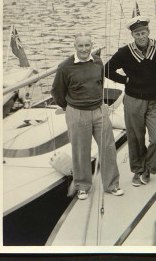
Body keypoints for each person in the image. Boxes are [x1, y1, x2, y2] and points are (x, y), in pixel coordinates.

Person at [104, 16, 156, 187]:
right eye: (137, 34)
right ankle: (138, 170)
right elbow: (107, 69)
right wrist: (125, 80)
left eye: (143, 33)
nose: (141, 37)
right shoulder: (125, 52)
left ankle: (149, 168)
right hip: (133, 101)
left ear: (148, 32)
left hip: (154, 102)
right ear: (132, 35)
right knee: (136, 138)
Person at [51, 32, 124, 200]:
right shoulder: (65, 67)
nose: (84, 49)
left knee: (108, 147)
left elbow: (99, 83)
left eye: (87, 45)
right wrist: (69, 107)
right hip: (77, 112)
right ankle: (83, 186)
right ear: (75, 47)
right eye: (80, 46)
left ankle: (112, 184)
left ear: (92, 46)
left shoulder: (98, 62)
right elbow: (56, 92)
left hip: (99, 110)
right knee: (80, 150)